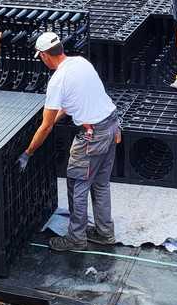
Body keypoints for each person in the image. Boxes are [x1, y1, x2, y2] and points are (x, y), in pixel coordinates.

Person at [18, 31, 120, 253]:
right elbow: (71, 103)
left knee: (78, 185)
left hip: (92, 137)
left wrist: (28, 151)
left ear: (44, 55)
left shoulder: (57, 81)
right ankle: (105, 233)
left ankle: (76, 238)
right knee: (101, 184)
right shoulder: (80, 63)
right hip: (111, 126)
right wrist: (53, 118)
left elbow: (46, 126)